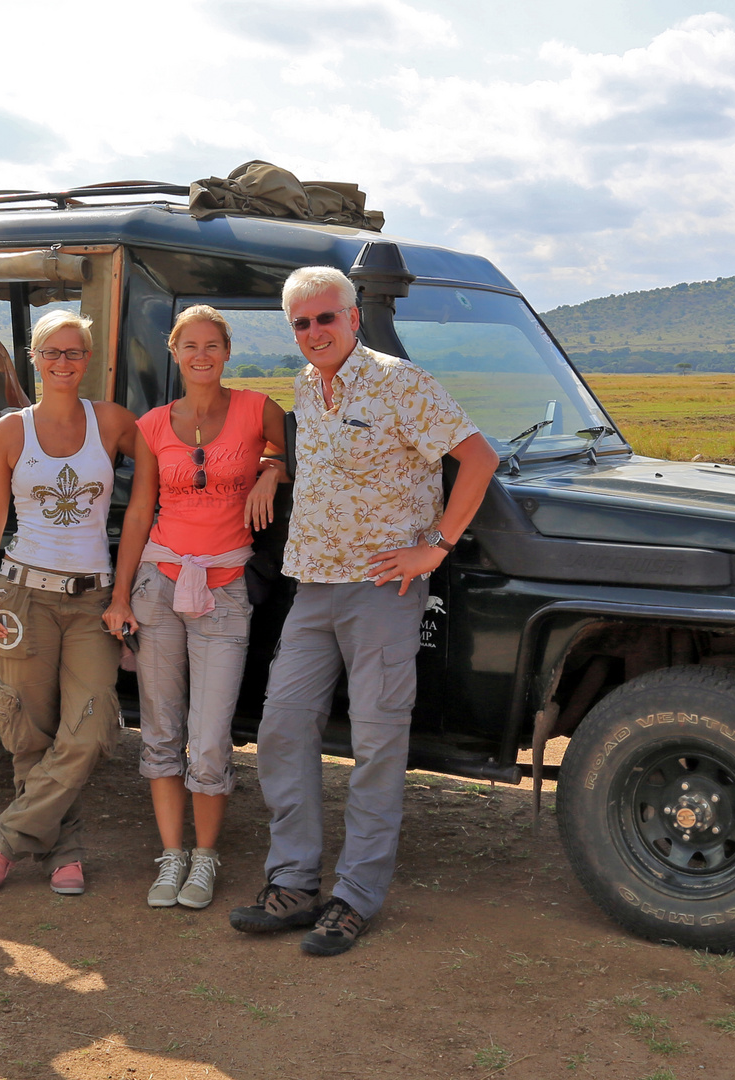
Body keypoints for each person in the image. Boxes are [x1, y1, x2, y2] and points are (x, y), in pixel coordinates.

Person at [228, 266, 498, 955]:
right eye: (301, 323)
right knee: (284, 728)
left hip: (383, 589)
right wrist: (271, 466)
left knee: (378, 744)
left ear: (352, 317)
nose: (314, 332)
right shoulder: (304, 386)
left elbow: (478, 457)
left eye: (325, 318)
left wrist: (434, 547)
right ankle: (292, 882)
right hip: (312, 586)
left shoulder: (400, 382)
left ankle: (355, 896)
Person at [103, 306, 288, 910]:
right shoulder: (154, 423)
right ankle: (171, 856)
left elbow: (288, 457)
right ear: (174, 353)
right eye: (190, 346)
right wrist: (120, 593)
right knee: (160, 730)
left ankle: (205, 859)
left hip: (225, 586)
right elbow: (139, 511)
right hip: (160, 581)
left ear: (227, 351)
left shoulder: (259, 410)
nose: (202, 355)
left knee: (209, 737)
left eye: (213, 344)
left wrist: (270, 470)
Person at [0, 309, 141, 896]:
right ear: (34, 359)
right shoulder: (11, 430)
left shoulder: (113, 422)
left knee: (90, 728)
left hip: (92, 598)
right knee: (28, 730)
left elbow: (177, 448)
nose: (63, 363)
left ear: (87, 360)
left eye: (74, 353)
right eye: (52, 353)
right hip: (22, 592)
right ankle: (64, 851)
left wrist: (272, 464)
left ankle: (10, 836)